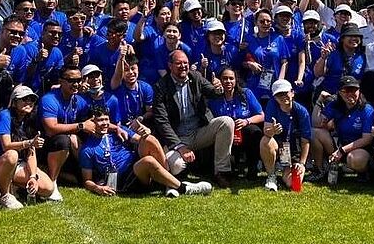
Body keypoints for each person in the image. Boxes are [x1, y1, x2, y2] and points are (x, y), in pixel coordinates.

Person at [80, 105, 212, 197]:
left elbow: (140, 139)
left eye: (106, 120)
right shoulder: (87, 149)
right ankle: (184, 188)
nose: (104, 124)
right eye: (100, 120)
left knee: (150, 139)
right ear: (91, 122)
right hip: (124, 179)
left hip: (134, 162)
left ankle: (169, 185)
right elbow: (87, 180)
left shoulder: (117, 131)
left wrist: (145, 132)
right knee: (148, 161)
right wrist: (98, 188)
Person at [152, 50, 233, 188]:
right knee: (175, 166)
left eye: (185, 63)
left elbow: (212, 92)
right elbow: (162, 121)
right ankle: (185, 170)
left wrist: (219, 89)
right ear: (170, 66)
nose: (183, 66)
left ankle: (221, 172)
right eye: (179, 63)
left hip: (199, 132)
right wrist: (180, 146)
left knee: (226, 122)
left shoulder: (195, 77)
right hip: (177, 138)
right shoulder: (161, 86)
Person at [0, 85, 55, 209]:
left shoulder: (29, 120)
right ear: (14, 102)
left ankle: (17, 186)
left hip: (19, 163)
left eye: (31, 99)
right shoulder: (4, 116)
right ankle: (4, 194)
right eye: (24, 99)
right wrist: (29, 143)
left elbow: (31, 152)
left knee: (48, 188)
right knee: (12, 155)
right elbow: (6, 146)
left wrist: (33, 176)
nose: (29, 102)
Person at [38, 65, 92, 201]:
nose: (76, 84)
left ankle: (83, 175)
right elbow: (51, 129)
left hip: (66, 150)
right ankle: (52, 181)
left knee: (77, 179)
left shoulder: (79, 100)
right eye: (71, 80)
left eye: (79, 80)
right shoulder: (49, 99)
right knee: (64, 140)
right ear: (61, 81)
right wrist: (81, 126)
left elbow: (90, 121)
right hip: (44, 145)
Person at [310, 76, 374, 183]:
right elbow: (316, 123)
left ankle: (363, 172)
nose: (350, 94)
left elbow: (366, 139)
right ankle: (320, 170)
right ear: (340, 92)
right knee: (315, 132)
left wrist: (342, 150)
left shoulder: (366, 110)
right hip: (340, 145)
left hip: (360, 148)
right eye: (346, 90)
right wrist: (319, 101)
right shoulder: (335, 105)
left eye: (354, 90)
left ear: (359, 91)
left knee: (354, 159)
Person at [208, 67, 264, 179]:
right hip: (224, 134)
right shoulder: (214, 98)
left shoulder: (246, 93)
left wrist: (246, 121)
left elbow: (261, 115)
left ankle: (253, 168)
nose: (228, 81)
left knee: (254, 131)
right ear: (220, 80)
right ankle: (225, 169)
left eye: (231, 78)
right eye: (225, 78)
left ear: (235, 80)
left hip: (243, 129)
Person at [260, 80, 311, 191]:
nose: (283, 97)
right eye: (279, 95)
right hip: (280, 146)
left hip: (293, 149)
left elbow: (305, 140)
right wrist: (273, 131)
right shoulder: (272, 105)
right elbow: (266, 131)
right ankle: (271, 176)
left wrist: (302, 163)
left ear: (292, 93)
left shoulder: (302, 112)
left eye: (285, 93)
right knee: (265, 141)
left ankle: (288, 168)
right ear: (275, 97)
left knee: (291, 184)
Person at [243, 9, 289, 105]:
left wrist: (280, 81)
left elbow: (284, 62)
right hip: (255, 84)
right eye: (262, 21)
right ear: (256, 23)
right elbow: (242, 61)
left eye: (268, 21)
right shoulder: (249, 39)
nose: (265, 23)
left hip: (274, 84)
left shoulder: (278, 38)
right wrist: (250, 64)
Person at [314, 23, 366, 96]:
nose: (354, 38)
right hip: (328, 94)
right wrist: (323, 58)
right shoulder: (332, 54)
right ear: (342, 39)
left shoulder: (362, 56)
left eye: (357, 36)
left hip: (350, 97)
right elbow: (318, 74)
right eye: (350, 36)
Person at [24, 20, 64, 93]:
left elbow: (58, 77)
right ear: (43, 33)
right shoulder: (30, 48)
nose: (56, 36)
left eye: (59, 34)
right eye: (52, 33)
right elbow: (24, 74)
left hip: (43, 91)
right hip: (25, 89)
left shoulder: (57, 52)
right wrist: (36, 60)